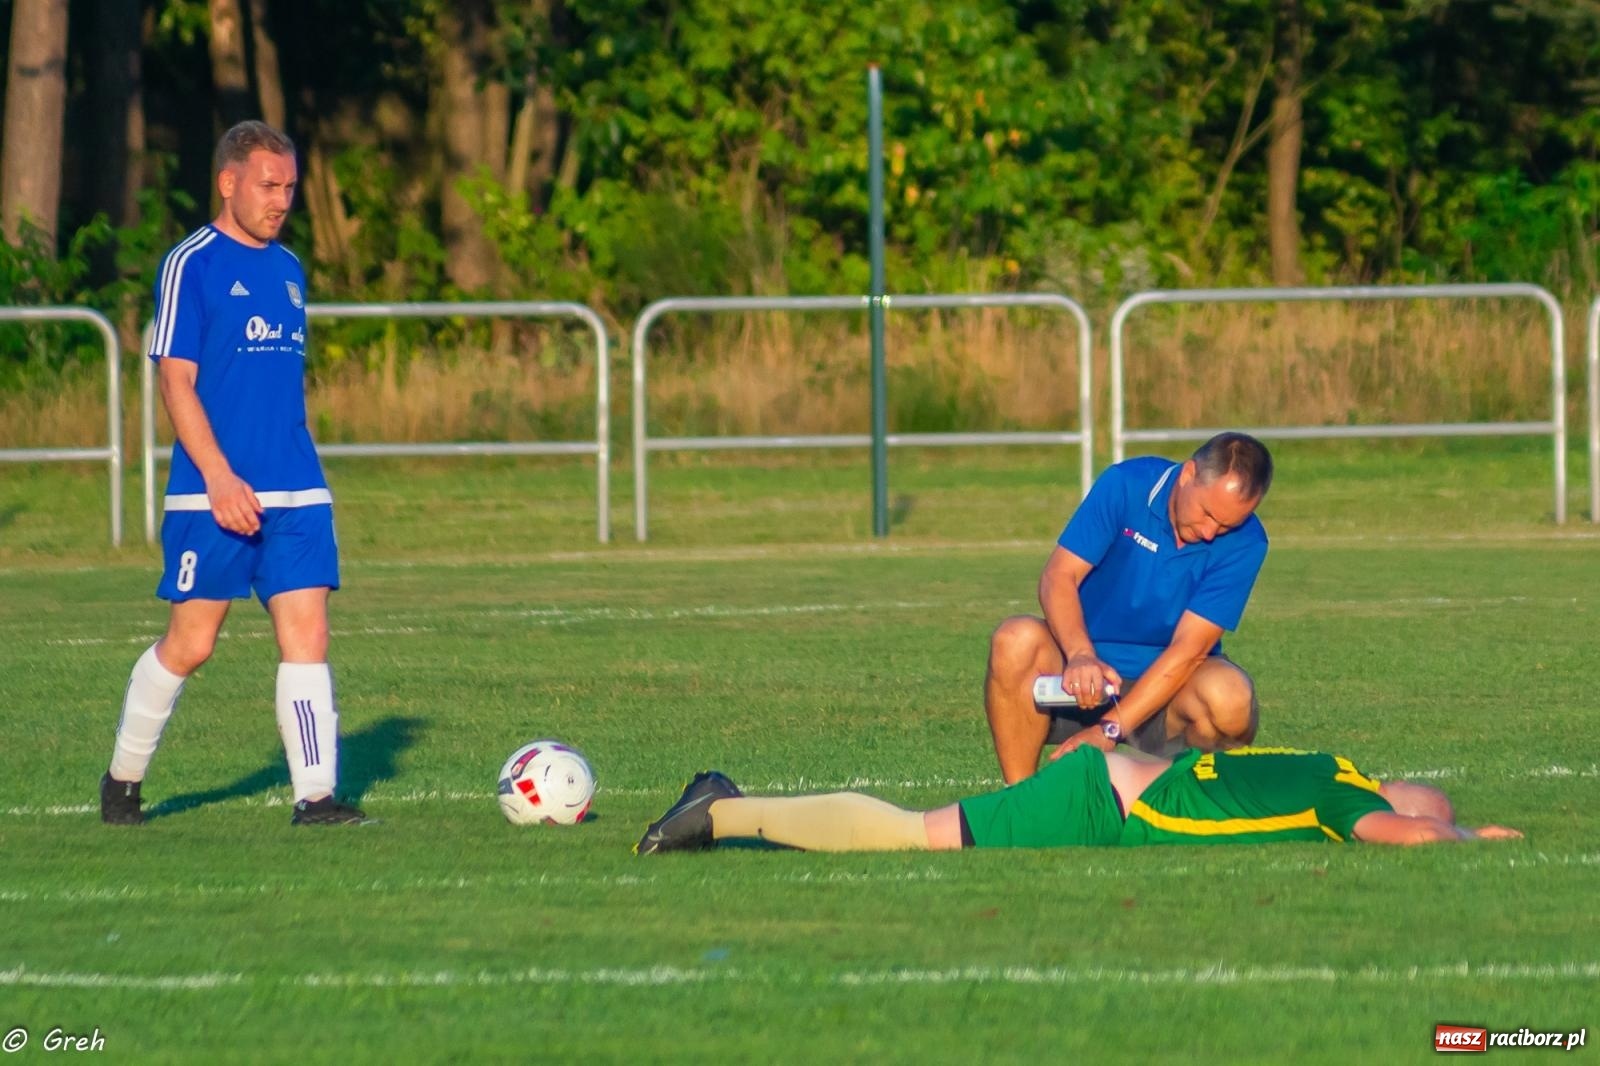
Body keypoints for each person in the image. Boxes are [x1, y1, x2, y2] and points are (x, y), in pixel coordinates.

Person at [99, 120, 365, 826]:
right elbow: (176, 382)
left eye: (289, 188)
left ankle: (316, 799)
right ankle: (123, 780)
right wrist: (218, 476)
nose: (281, 201)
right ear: (229, 182)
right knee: (192, 643)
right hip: (209, 493)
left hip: (297, 487)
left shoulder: (290, 269)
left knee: (307, 635)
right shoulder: (193, 264)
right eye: (268, 185)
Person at [985, 431, 1274, 784]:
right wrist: (1080, 655)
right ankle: (1021, 803)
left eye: (1229, 525)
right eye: (1208, 514)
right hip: (1081, 671)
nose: (1212, 532)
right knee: (1015, 639)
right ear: (1187, 475)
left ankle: (1175, 802)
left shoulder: (1248, 543)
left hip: (1168, 684)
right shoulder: (1125, 485)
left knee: (1229, 698)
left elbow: (1188, 651)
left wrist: (1109, 731)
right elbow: (1058, 577)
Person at [634, 747, 1522, 856]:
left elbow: (1408, 811)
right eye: (1430, 805)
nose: (1428, 809)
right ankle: (720, 810)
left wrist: (1453, 818)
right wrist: (1470, 840)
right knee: (912, 837)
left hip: (1113, 779)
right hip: (1101, 804)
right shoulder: (1339, 794)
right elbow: (1401, 833)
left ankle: (728, 808)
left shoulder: (1331, 761)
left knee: (922, 831)